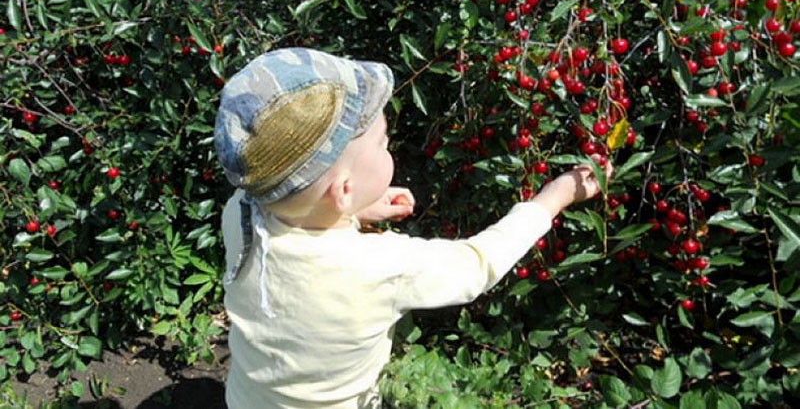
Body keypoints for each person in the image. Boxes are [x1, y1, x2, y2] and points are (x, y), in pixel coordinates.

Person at [214, 47, 611, 409]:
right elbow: (478, 266)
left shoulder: (242, 214)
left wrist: (358, 210)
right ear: (344, 190)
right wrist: (555, 198)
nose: (389, 147)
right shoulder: (380, 267)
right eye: (384, 143)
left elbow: (304, 218)